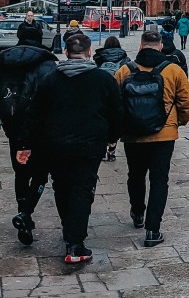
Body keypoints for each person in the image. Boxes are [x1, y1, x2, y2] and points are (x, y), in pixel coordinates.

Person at [17, 32, 123, 265]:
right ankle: (75, 243)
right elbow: (117, 112)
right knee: (82, 189)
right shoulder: (103, 80)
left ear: (66, 52)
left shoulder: (50, 79)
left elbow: (34, 114)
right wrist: (111, 138)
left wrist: (26, 144)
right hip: (89, 145)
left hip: (55, 144)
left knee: (62, 187)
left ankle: (70, 232)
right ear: (89, 53)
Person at [115, 29, 189, 247]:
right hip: (163, 136)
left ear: (141, 46)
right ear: (160, 46)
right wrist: (176, 123)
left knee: (135, 175)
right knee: (159, 180)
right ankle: (153, 230)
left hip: (133, 135)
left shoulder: (124, 71)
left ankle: (137, 213)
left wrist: (120, 127)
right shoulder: (173, 70)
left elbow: (114, 104)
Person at [0, 22, 58, 246]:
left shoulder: (4, 61)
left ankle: (21, 208)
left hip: (14, 127)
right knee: (41, 174)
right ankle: (26, 213)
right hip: (41, 130)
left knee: (21, 173)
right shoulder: (48, 64)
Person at [94, 36, 131, 162]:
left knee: (103, 121)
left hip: (102, 93)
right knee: (115, 123)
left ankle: (102, 149)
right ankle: (111, 150)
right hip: (118, 94)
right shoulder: (125, 58)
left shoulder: (99, 57)